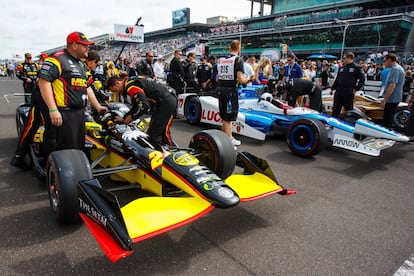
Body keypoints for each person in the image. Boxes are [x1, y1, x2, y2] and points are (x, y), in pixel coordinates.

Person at [38, 31, 107, 157]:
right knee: (61, 151)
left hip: (78, 113)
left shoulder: (80, 63)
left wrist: (97, 106)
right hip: (63, 113)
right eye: (85, 45)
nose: (88, 48)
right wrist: (53, 110)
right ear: (74, 45)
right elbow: (44, 82)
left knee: (77, 148)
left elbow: (87, 87)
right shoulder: (57, 58)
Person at [107, 76, 177, 147]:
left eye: (115, 90)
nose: (117, 93)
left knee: (154, 135)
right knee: (160, 132)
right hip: (165, 101)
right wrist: (125, 117)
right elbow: (136, 105)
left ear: (117, 83)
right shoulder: (131, 81)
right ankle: (172, 150)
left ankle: (170, 153)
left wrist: (132, 117)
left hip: (165, 103)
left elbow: (144, 106)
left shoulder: (130, 87)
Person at [216, 40, 248, 147]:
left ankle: (224, 138)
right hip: (230, 90)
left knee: (224, 116)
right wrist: (246, 80)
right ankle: (229, 140)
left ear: (230, 48)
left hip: (220, 89)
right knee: (229, 118)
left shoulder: (220, 60)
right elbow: (240, 78)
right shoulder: (238, 60)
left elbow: (217, 78)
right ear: (238, 48)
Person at [331, 52, 365, 117]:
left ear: (349, 58)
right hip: (339, 90)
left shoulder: (356, 67)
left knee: (348, 109)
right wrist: (333, 88)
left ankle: (347, 122)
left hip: (348, 90)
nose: (343, 59)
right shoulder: (342, 67)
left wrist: (357, 88)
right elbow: (338, 78)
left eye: (344, 58)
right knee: (336, 108)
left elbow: (362, 78)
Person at [381, 53, 405, 129]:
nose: (384, 63)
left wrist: (385, 99)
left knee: (387, 120)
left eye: (385, 61)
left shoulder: (395, 69)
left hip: (392, 99)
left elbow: (392, 85)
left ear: (389, 60)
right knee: (388, 119)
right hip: (394, 98)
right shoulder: (396, 68)